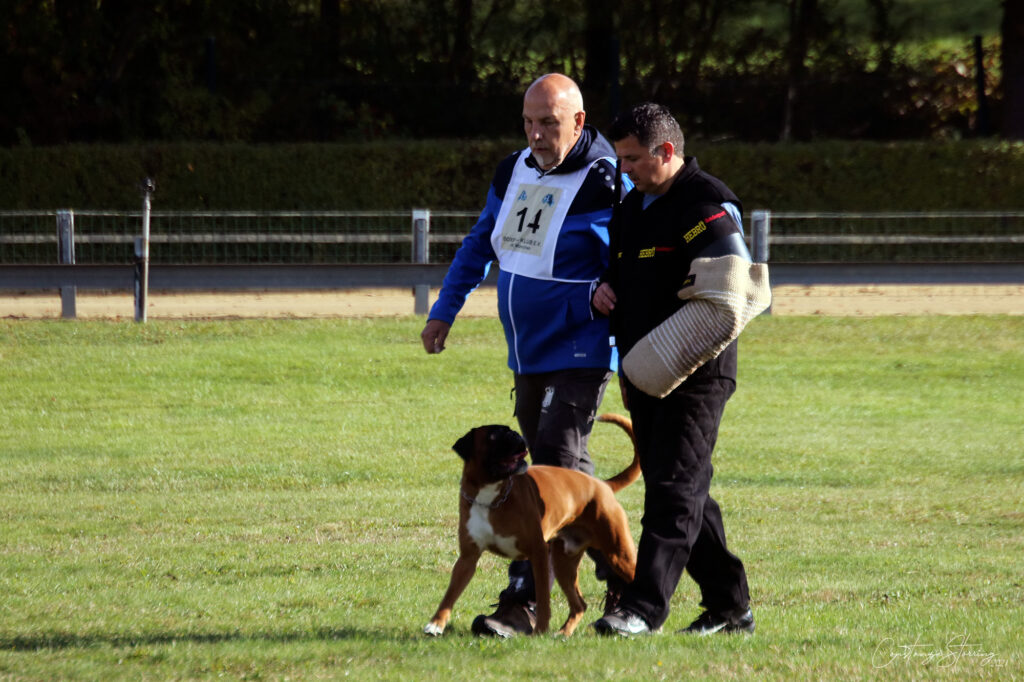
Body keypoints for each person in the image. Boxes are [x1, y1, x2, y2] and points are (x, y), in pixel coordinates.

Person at [420, 73, 632, 637]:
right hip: (526, 350)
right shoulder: (512, 168)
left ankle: (528, 603)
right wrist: (446, 307)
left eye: (550, 124)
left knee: (551, 466)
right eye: (529, 122)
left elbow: (639, 246)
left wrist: (605, 287)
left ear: (579, 122)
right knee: (556, 468)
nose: (536, 136)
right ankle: (618, 587)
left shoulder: (608, 179)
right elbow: (481, 240)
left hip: (582, 345)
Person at [590, 102, 771, 637]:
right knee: (688, 490)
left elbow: (736, 293)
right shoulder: (632, 208)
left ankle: (643, 608)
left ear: (666, 151)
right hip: (642, 370)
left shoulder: (707, 201)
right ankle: (730, 606)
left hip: (698, 373)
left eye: (632, 159)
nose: (624, 169)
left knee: (672, 487)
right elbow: (621, 277)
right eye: (621, 158)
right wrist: (604, 293)